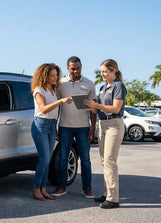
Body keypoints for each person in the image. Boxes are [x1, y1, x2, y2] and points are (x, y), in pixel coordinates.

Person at [83, 59, 127, 209]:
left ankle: (113, 199)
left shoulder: (118, 86)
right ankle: (108, 193)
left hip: (114, 124)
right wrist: (90, 107)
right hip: (102, 124)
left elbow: (115, 108)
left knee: (109, 160)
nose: (102, 74)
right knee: (104, 160)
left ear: (113, 71)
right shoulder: (102, 87)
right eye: (101, 71)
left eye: (105, 71)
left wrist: (96, 105)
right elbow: (99, 109)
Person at [53, 56, 96, 198]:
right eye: (73, 69)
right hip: (65, 126)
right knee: (63, 158)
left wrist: (93, 128)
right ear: (67, 68)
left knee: (85, 159)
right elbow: (57, 106)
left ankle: (87, 188)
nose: (76, 71)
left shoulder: (89, 84)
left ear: (81, 67)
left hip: (83, 127)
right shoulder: (61, 84)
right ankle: (61, 187)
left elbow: (93, 109)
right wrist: (56, 126)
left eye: (78, 68)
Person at [31, 63, 72, 201]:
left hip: (50, 126)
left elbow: (54, 113)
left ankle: (43, 189)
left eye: (56, 75)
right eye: (52, 76)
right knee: (43, 159)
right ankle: (36, 189)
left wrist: (55, 128)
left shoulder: (53, 90)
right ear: (44, 76)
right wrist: (60, 101)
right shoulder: (39, 90)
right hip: (40, 125)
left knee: (48, 159)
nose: (55, 78)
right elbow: (43, 109)